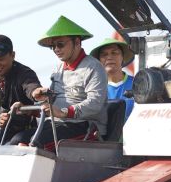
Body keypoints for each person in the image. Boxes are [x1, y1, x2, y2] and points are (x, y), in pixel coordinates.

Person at [10, 16, 107, 147]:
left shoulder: (93, 67)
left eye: (60, 44)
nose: (56, 49)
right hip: (57, 123)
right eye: (53, 46)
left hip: (84, 126)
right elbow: (52, 102)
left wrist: (64, 112)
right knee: (17, 140)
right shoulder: (58, 69)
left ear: (77, 42)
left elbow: (95, 103)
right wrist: (29, 109)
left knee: (36, 144)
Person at [90, 38, 136, 120]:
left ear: (122, 57)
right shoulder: (93, 88)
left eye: (114, 53)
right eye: (104, 54)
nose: (109, 57)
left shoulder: (137, 84)